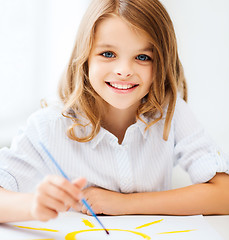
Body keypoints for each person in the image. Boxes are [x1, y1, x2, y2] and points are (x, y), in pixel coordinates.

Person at [0, 0, 229, 223]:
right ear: (85, 58)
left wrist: (123, 204)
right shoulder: (49, 125)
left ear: (161, 64)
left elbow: (224, 195)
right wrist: (33, 205)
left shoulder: (171, 112)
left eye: (142, 57)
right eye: (108, 54)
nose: (124, 71)